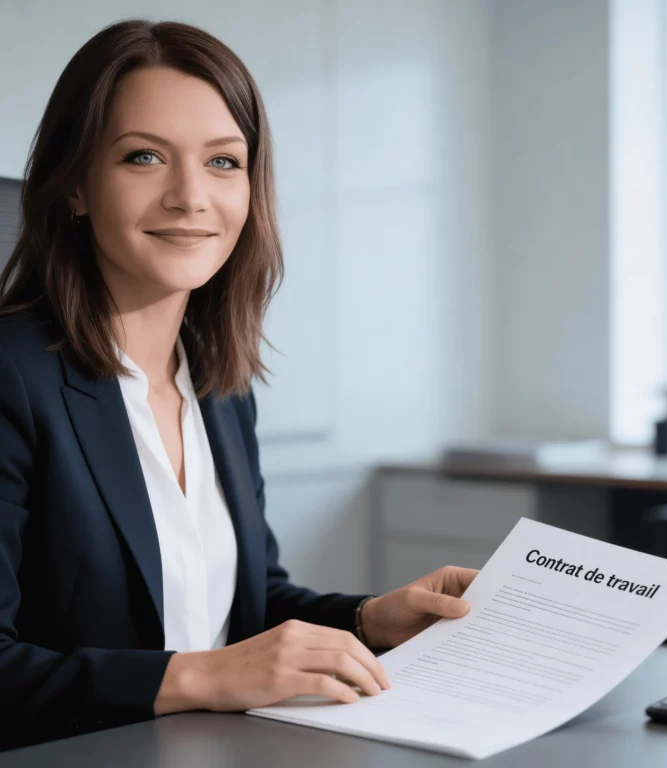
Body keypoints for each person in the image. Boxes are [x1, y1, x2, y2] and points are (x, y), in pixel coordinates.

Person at [0, 18, 479, 751]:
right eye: (144, 157)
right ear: (74, 187)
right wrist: (201, 678)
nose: (191, 197)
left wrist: (370, 619)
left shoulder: (218, 384)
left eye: (224, 163)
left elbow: (242, 608)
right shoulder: (14, 376)